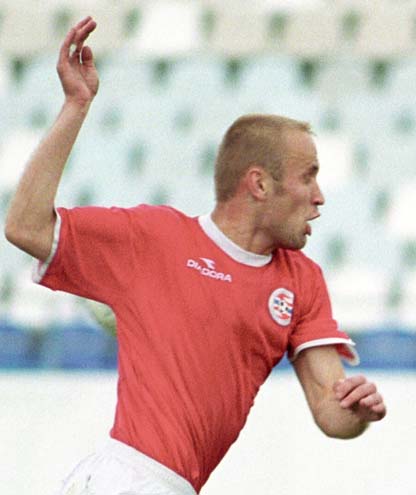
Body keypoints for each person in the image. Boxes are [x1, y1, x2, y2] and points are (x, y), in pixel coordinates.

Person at [4, 17, 386, 495]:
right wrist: (75, 106)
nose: (319, 196)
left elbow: (331, 411)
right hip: (126, 478)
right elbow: (25, 227)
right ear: (259, 184)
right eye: (307, 176)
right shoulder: (155, 238)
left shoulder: (301, 281)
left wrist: (356, 410)